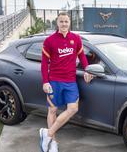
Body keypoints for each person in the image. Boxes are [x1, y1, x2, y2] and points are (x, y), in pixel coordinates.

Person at [39, 12, 93, 152]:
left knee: (73, 108)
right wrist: (45, 82)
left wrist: (87, 70)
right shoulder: (49, 40)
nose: (64, 24)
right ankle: (53, 144)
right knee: (53, 110)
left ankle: (48, 134)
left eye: (66, 21)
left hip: (70, 81)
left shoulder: (76, 38)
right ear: (57, 23)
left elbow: (82, 56)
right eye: (61, 21)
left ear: (70, 23)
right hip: (54, 81)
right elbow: (44, 64)